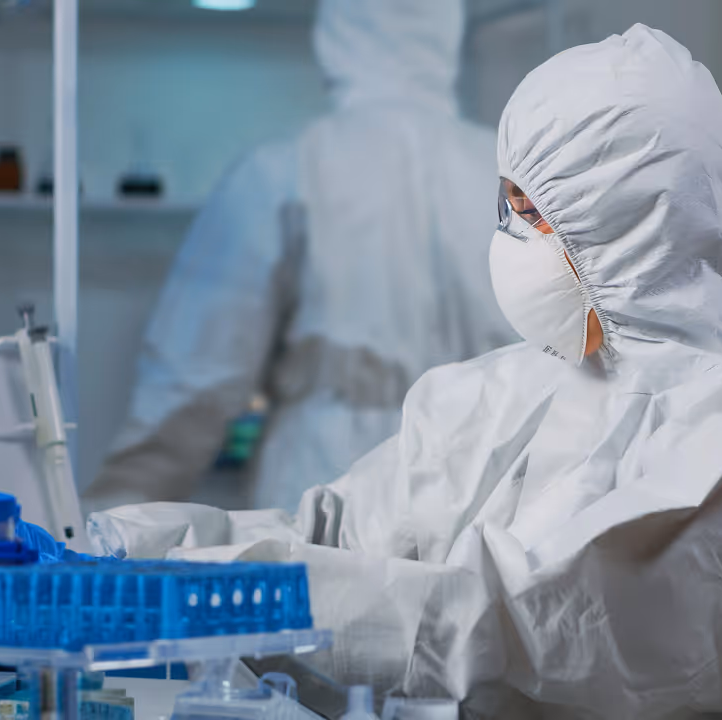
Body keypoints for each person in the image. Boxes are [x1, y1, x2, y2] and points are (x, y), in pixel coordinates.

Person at [86, 24, 722, 717]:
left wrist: (208, 591)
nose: (510, 237)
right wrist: (117, 550)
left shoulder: (718, 445)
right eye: (508, 207)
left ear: (632, 228)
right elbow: (334, 533)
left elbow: (507, 623)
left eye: (530, 213)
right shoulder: (508, 391)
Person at [82, 0, 517, 514]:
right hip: (480, 493)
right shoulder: (509, 172)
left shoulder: (286, 169)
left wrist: (108, 519)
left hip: (328, 484)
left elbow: (192, 383)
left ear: (335, 34)